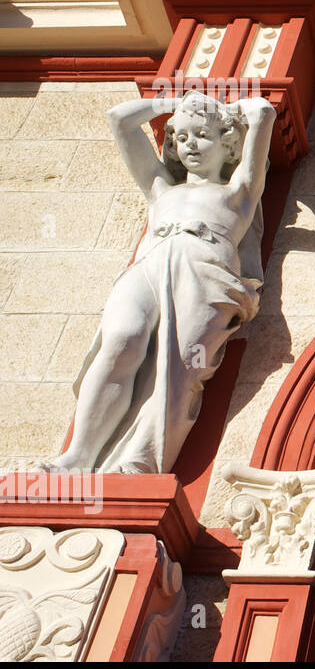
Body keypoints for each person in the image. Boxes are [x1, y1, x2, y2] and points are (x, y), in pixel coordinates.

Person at [44, 90, 274, 474]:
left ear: (229, 142)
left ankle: (140, 461)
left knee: (181, 366)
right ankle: (78, 456)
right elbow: (119, 118)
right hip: (150, 263)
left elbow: (263, 111)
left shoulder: (239, 194)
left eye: (201, 134)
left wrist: (233, 109)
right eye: (181, 138)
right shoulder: (160, 189)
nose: (190, 146)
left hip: (204, 268)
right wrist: (171, 102)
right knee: (121, 341)